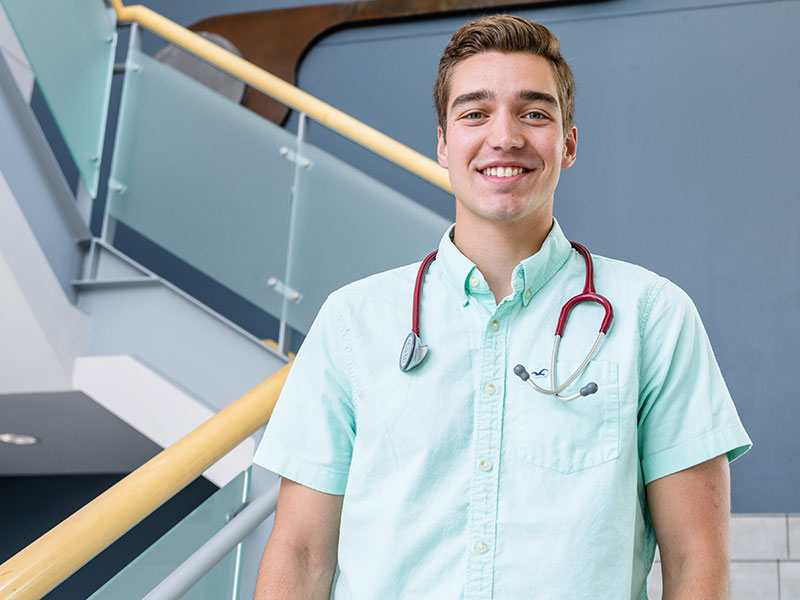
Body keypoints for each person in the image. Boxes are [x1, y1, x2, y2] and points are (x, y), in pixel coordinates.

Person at [252, 15, 751, 599]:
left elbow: (696, 558)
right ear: (443, 143)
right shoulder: (351, 322)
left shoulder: (653, 317)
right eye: (474, 113)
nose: (506, 136)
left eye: (535, 113)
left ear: (567, 143)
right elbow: (302, 552)